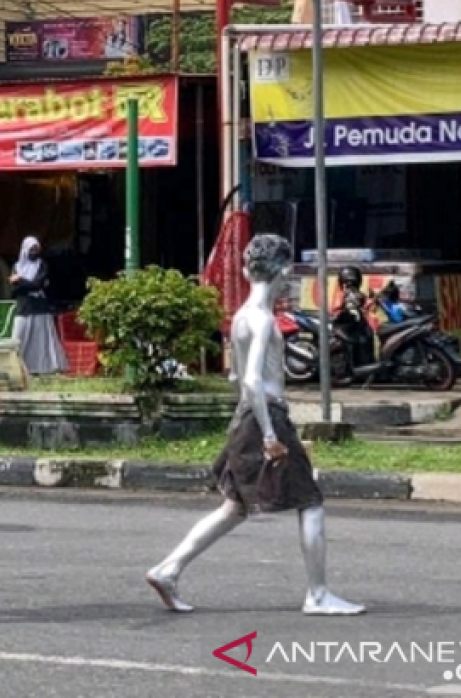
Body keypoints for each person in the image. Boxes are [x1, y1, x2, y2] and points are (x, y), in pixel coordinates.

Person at [144, 234, 364, 617]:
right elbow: (249, 380)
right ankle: (318, 594)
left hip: (247, 416)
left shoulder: (240, 318)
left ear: (247, 271)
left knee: (236, 507)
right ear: (283, 272)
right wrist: (268, 434)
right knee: (310, 502)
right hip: (266, 416)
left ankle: (168, 569)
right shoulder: (262, 320)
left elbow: (234, 380)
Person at [9, 236, 68, 375]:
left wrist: (20, 280)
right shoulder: (16, 266)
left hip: (40, 308)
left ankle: (42, 369)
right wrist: (26, 285)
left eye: (37, 249)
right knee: (18, 338)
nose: (34, 252)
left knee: (41, 341)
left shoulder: (42, 265)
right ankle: (16, 368)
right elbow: (14, 290)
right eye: (32, 249)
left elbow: (38, 284)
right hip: (24, 307)